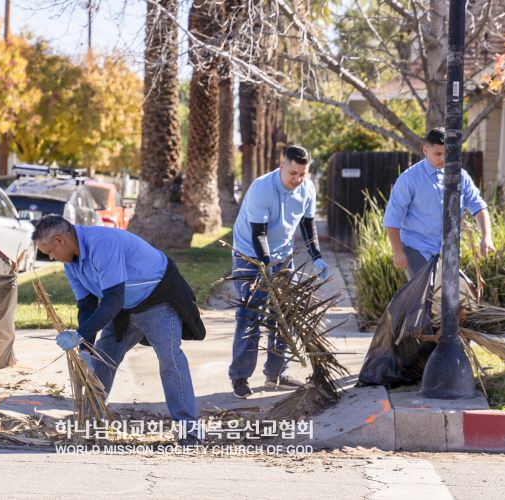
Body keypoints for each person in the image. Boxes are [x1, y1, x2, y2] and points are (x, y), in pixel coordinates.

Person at [32, 216, 205, 446]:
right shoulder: (71, 264)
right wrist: (85, 347)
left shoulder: (102, 244)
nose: (51, 257)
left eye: (49, 252)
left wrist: (80, 335)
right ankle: (90, 425)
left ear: (59, 240)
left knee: (170, 358)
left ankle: (189, 432)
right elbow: (87, 305)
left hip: (157, 299)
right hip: (124, 307)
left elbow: (112, 299)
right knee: (102, 359)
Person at [229, 144, 329, 399]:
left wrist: (317, 256)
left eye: (302, 174)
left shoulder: (307, 188)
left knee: (284, 314)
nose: (297, 179)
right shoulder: (261, 188)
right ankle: (240, 376)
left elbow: (307, 225)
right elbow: (258, 234)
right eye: (293, 173)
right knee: (250, 315)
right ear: (281, 165)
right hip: (250, 255)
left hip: (283, 255)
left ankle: (276, 372)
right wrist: (266, 268)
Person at [383, 127, 495, 279]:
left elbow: (478, 205)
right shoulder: (409, 179)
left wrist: (486, 236)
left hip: (448, 250)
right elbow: (392, 217)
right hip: (416, 247)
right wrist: (398, 251)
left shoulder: (460, 177)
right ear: (425, 150)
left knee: (448, 293)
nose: (443, 158)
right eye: (438, 154)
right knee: (424, 290)